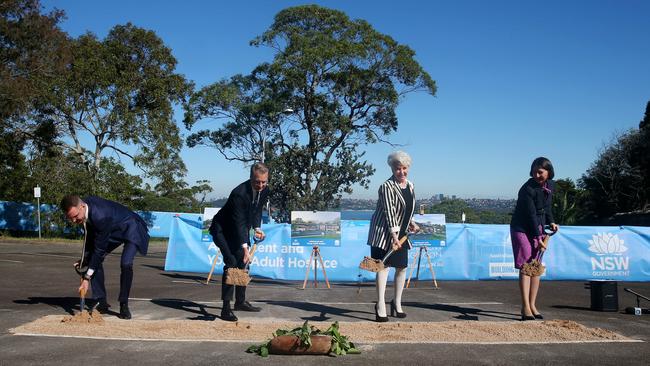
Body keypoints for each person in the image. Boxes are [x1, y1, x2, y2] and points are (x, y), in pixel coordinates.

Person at [60, 195, 149, 319]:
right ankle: (101, 301)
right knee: (92, 260)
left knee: (126, 263)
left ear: (82, 206)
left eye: (75, 216)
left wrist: (87, 277)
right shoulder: (83, 208)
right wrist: (86, 258)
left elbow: (99, 249)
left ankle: (124, 304)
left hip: (131, 227)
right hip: (112, 229)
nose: (74, 221)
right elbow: (90, 238)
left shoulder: (100, 215)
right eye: (71, 218)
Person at [210, 162, 270, 321]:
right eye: (257, 181)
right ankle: (225, 309)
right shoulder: (239, 193)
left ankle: (240, 302)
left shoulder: (264, 190)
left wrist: (257, 228)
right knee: (231, 264)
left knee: (243, 265)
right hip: (222, 230)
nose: (261, 185)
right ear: (251, 178)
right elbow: (239, 223)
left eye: (264, 181)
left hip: (239, 230)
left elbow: (257, 210)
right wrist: (245, 249)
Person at [367, 151, 419, 322]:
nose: (401, 172)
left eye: (404, 168)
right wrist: (393, 235)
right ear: (392, 168)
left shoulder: (410, 185)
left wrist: (411, 222)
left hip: (402, 234)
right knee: (383, 268)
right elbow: (390, 212)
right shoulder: (386, 186)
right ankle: (380, 305)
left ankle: (396, 303)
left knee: (401, 268)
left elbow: (406, 208)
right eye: (398, 169)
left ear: (408, 168)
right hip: (384, 233)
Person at [510, 157, 560, 321]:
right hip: (522, 227)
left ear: (548, 172)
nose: (537, 174)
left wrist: (551, 222)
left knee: (536, 265)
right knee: (526, 265)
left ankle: (533, 305)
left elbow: (547, 208)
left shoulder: (550, 185)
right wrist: (539, 237)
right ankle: (525, 307)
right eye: (534, 171)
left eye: (541, 171)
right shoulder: (527, 189)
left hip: (538, 227)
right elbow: (531, 214)